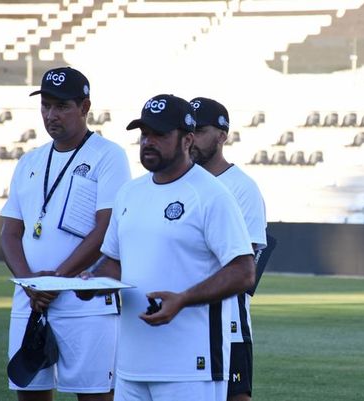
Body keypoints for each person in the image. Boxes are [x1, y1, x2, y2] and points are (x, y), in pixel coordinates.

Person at [78, 94, 256, 401]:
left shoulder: (212, 195)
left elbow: (243, 271)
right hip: (131, 365)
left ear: (187, 140)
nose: (148, 142)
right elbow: (113, 262)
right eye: (144, 134)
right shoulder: (129, 193)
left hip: (190, 366)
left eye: (160, 134)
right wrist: (91, 281)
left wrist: (184, 299)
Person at [0, 66, 132, 401]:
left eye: (62, 106)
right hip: (31, 300)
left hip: (85, 301)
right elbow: (10, 233)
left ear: (85, 107)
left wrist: (55, 280)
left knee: (93, 395)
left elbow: (105, 230)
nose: (50, 115)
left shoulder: (108, 155)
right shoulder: (29, 160)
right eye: (45, 105)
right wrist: (31, 282)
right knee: (29, 391)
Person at [189, 97, 267, 401]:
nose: (192, 138)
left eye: (201, 130)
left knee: (235, 396)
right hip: (183, 314)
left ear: (222, 135)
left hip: (228, 319)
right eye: (189, 129)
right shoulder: (181, 181)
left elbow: (245, 264)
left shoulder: (241, 187)